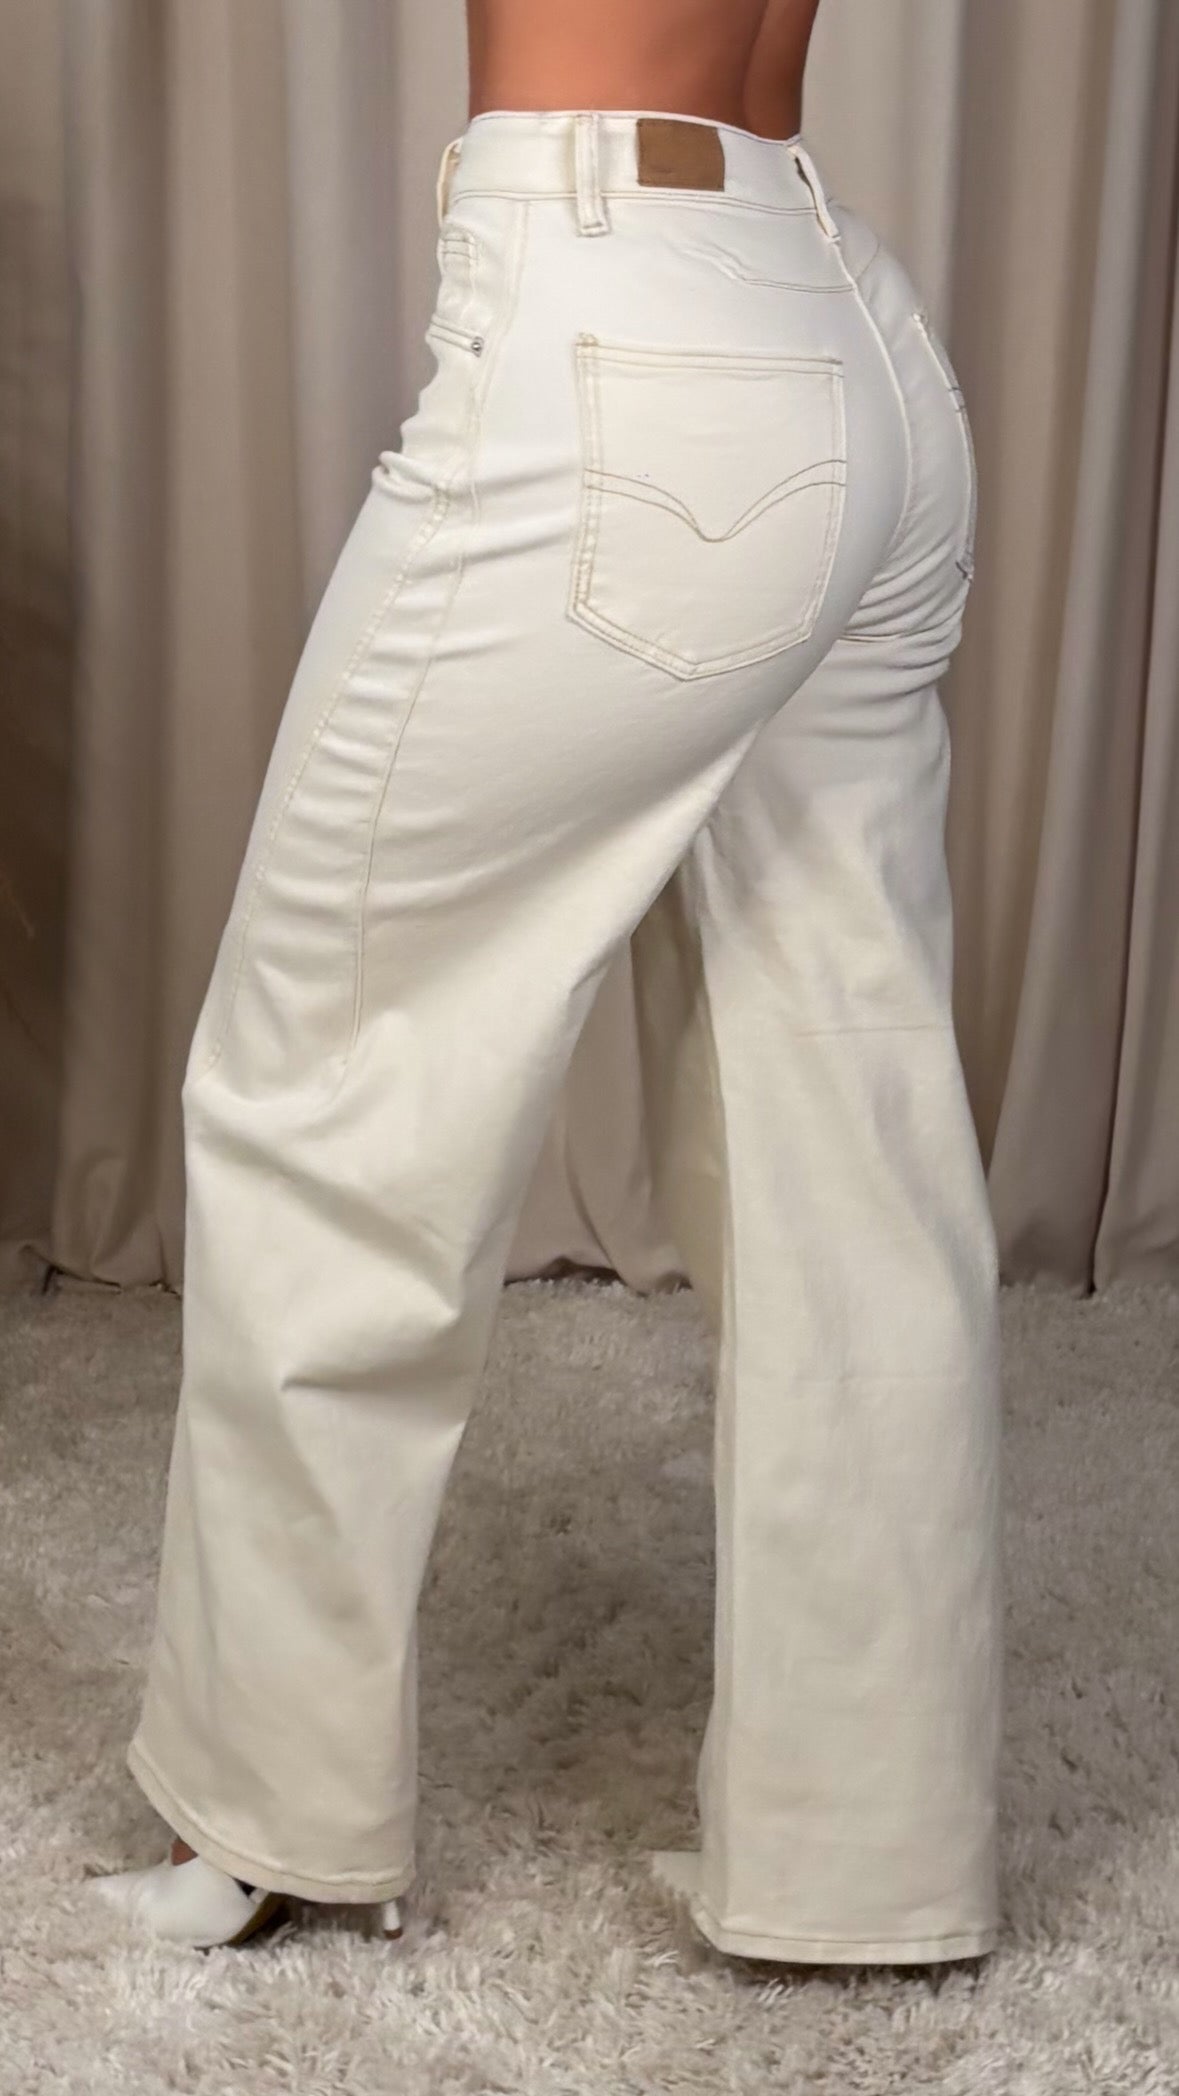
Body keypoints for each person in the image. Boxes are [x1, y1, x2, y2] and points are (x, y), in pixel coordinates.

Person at [90, 0, 1003, 1964]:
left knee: (321, 1086)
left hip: (627, 336)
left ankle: (267, 1814)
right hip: (837, 312)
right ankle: (872, 1854)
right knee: (845, 1114)